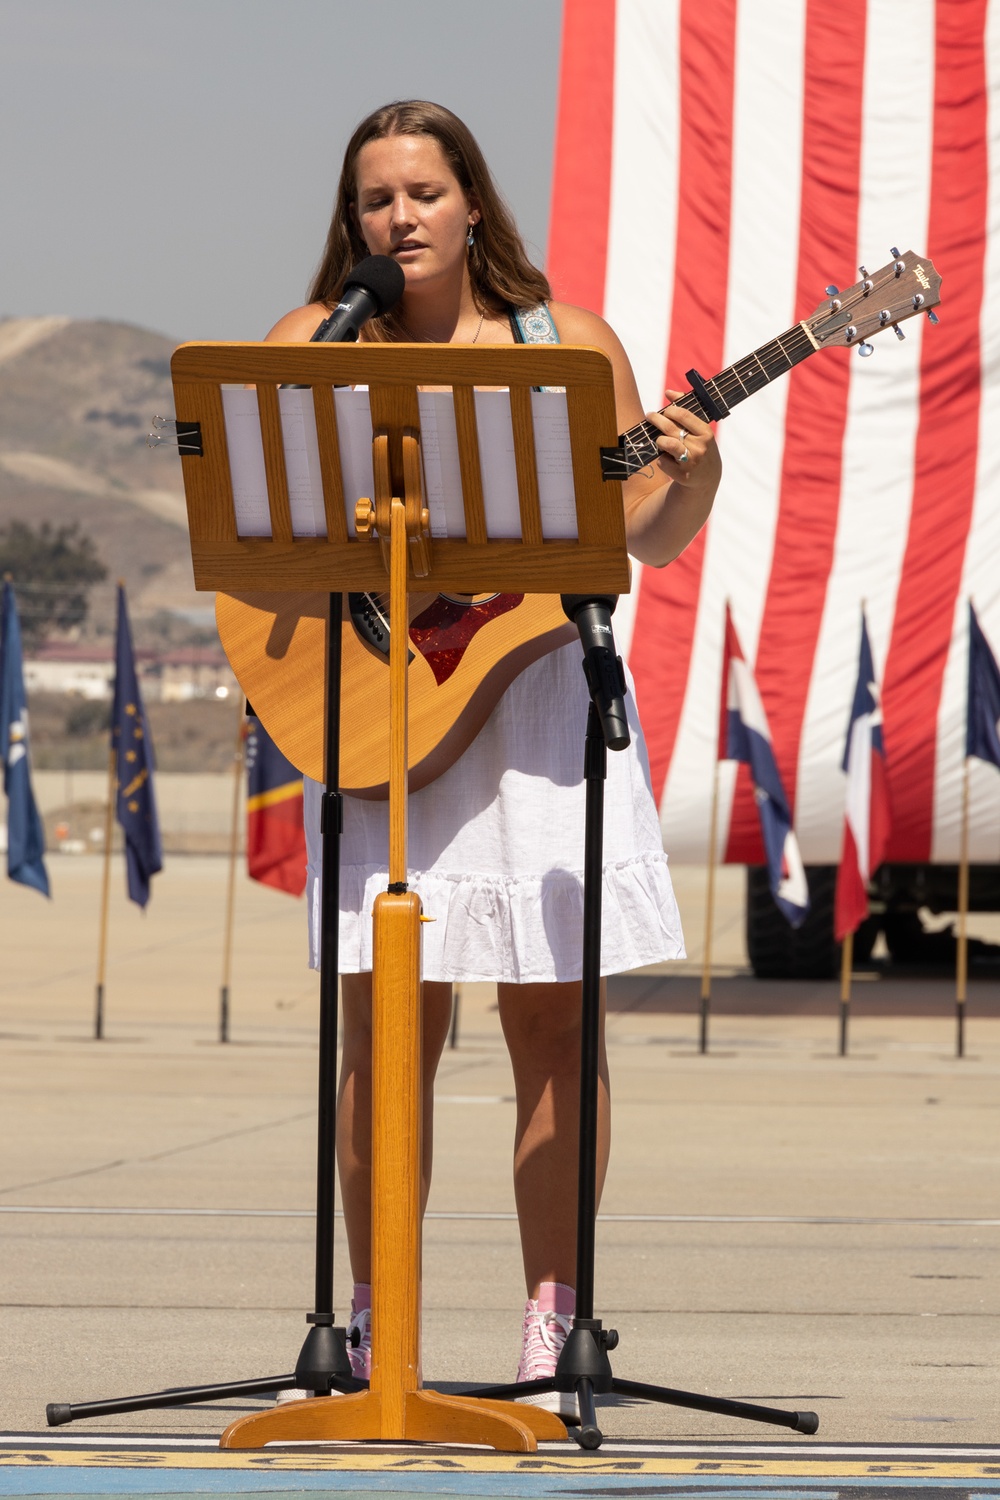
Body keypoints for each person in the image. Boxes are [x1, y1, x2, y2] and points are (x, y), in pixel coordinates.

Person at [266, 100, 721, 1419]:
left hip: (531, 717)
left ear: (475, 206)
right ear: (351, 223)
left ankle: (552, 1314)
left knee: (551, 1025)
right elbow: (267, 514)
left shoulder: (564, 345)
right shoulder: (313, 342)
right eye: (375, 199)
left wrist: (690, 476)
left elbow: (648, 534)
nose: (400, 217)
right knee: (383, 1029)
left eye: (423, 191)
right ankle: (369, 1319)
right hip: (380, 706)